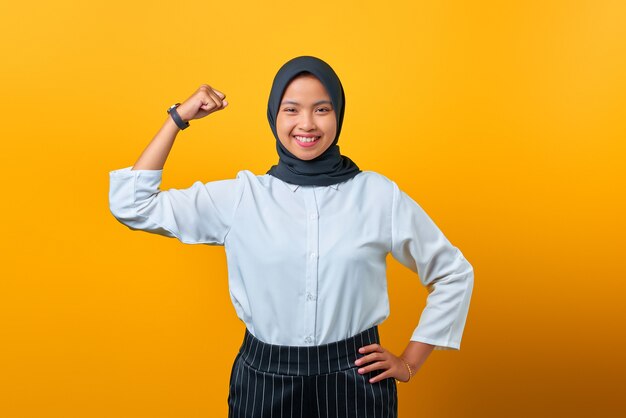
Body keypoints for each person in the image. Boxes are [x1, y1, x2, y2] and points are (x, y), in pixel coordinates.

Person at [108, 55, 474, 418]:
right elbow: (131, 204)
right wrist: (178, 118)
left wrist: (410, 362)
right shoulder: (241, 197)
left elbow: (453, 273)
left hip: (356, 380)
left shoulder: (377, 195)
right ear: (274, 116)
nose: (307, 124)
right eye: (292, 109)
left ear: (338, 114)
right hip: (264, 382)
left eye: (322, 109)